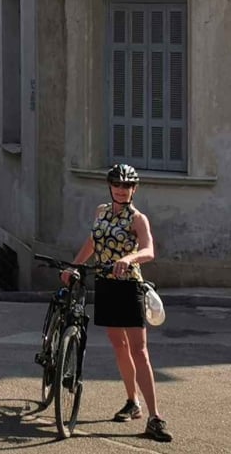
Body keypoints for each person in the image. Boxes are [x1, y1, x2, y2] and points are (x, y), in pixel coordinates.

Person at [65, 163, 171, 443]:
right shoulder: (101, 211)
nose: (122, 190)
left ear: (134, 189)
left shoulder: (138, 219)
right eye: (117, 185)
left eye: (127, 186)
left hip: (129, 286)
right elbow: (93, 241)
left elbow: (149, 249)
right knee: (118, 345)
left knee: (140, 351)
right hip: (105, 284)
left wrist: (129, 258)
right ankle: (131, 401)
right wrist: (74, 266)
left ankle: (155, 416)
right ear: (110, 186)